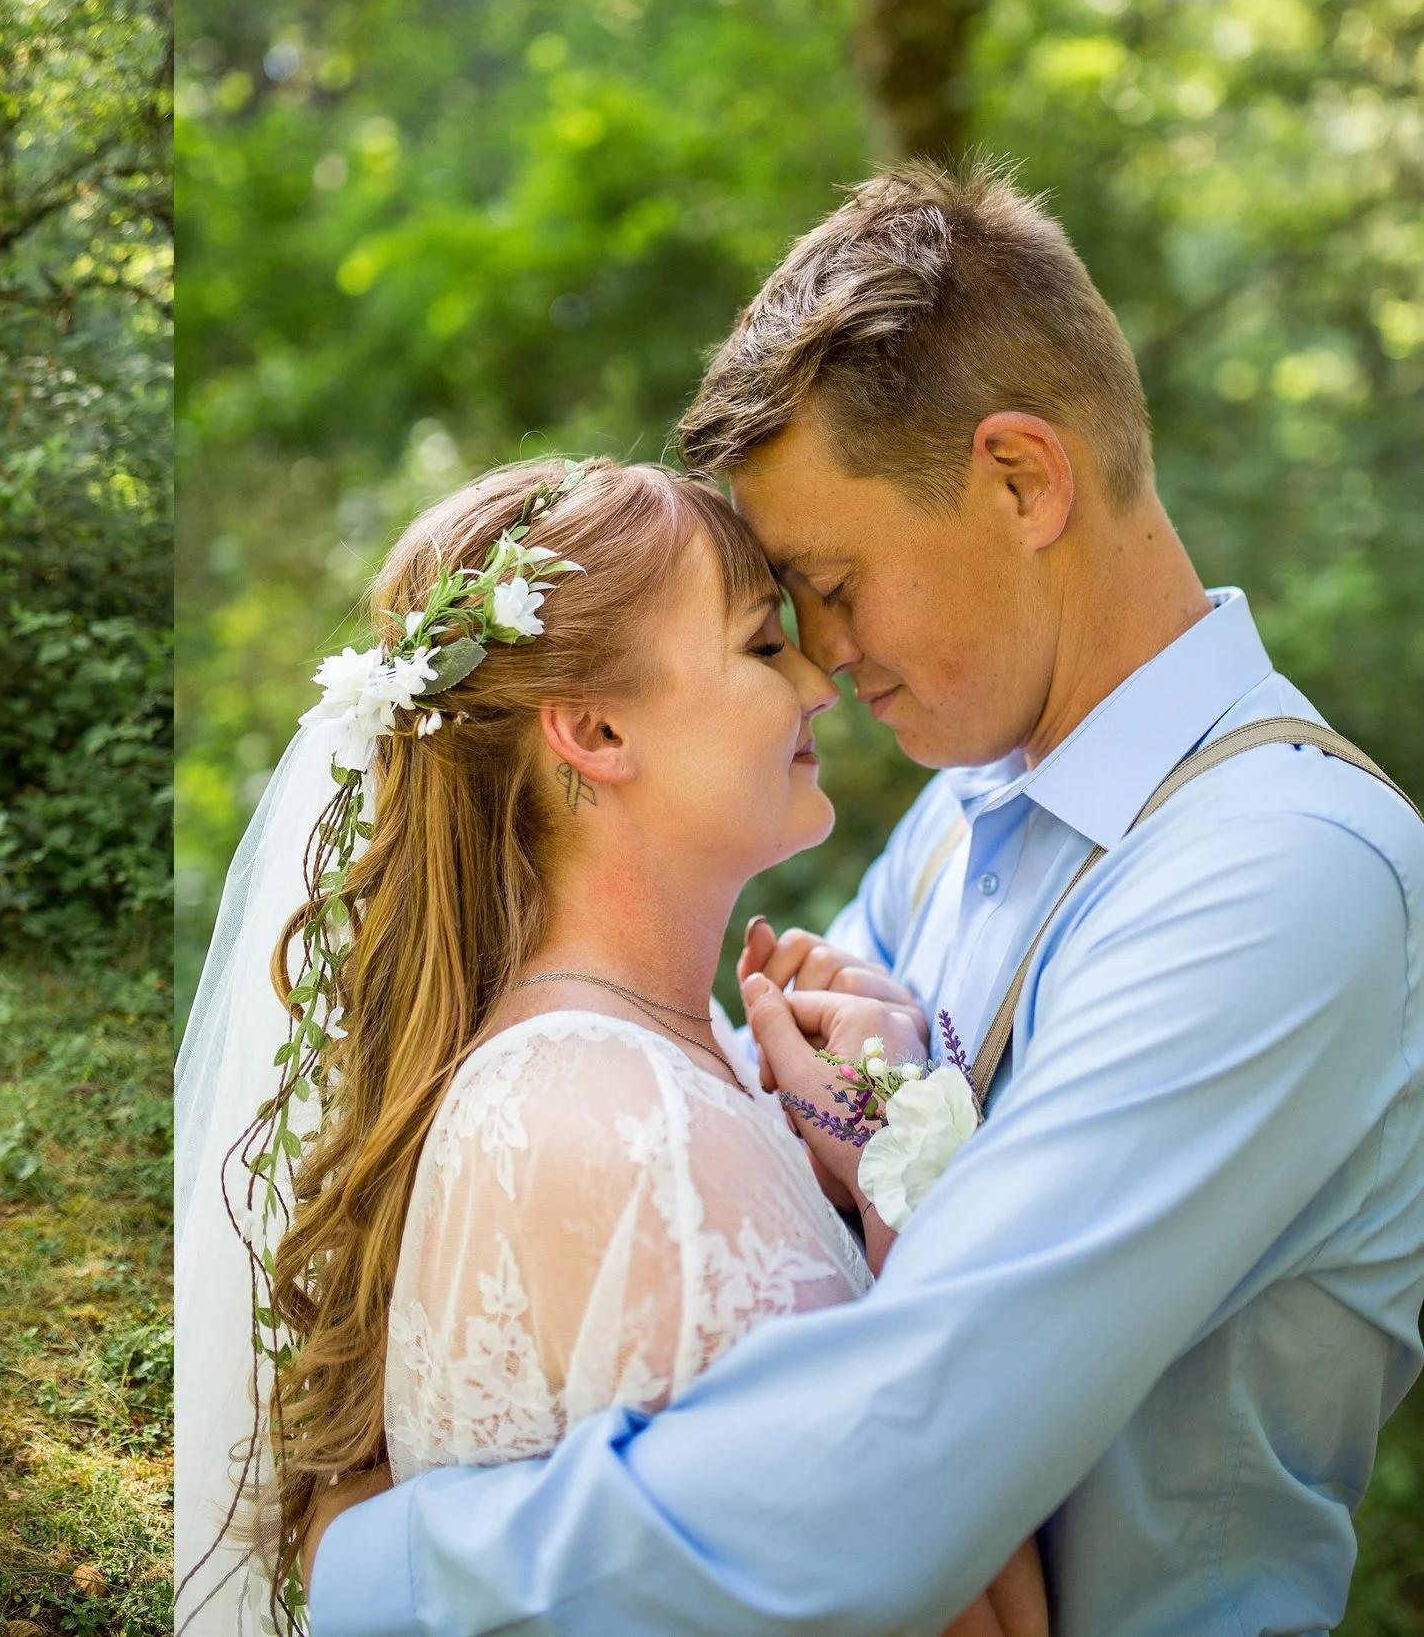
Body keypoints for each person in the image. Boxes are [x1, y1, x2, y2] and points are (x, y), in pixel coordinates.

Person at [300, 161, 1424, 1634]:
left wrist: (369, 1569)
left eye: (831, 582)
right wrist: (883, 1119)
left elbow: (899, 1449)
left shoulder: (1281, 871)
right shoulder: (959, 825)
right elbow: (769, 1196)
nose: (821, 657)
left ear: (1020, 479)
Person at [174, 458, 1044, 1635]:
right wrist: (904, 1166)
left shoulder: (672, 1061)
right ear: (593, 730)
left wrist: (860, 1132)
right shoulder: (634, 1130)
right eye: (761, 644)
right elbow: (983, 1619)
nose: (818, 682)